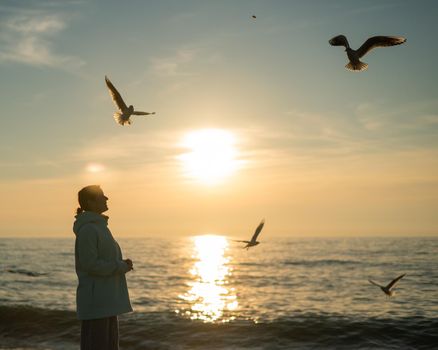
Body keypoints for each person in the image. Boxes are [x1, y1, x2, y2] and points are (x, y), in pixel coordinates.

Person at [73, 185, 133, 350]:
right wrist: (121, 266)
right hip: (97, 302)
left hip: (106, 300)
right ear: (91, 202)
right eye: (101, 196)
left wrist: (121, 265)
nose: (106, 198)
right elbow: (91, 265)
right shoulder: (89, 230)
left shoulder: (100, 227)